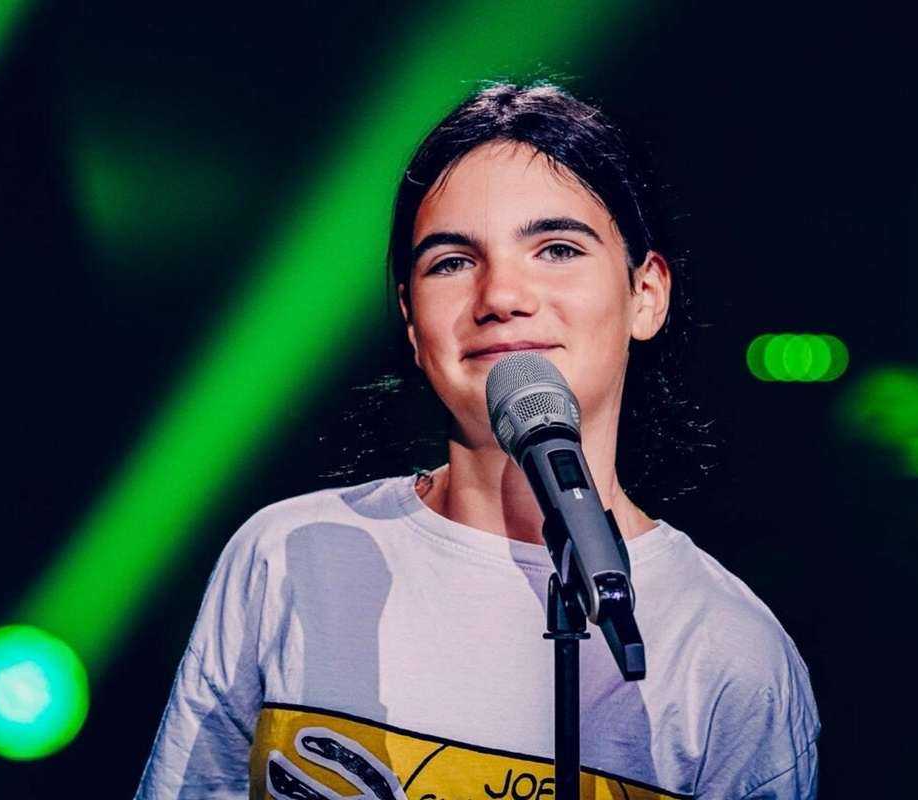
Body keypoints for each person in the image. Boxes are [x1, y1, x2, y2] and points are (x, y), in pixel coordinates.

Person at [135, 81, 820, 800]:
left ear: (645, 294)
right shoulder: (290, 558)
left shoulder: (727, 651)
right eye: (452, 262)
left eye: (557, 249)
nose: (500, 297)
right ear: (411, 318)